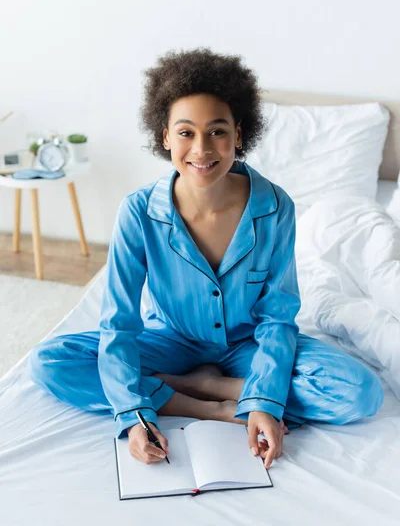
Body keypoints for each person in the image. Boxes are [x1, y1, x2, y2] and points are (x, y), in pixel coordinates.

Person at [29, 48, 384, 470]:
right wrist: (134, 414)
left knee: (360, 392)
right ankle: (207, 398)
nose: (201, 148)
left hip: (247, 345)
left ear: (239, 133)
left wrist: (265, 399)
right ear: (164, 137)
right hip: (168, 340)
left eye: (217, 131)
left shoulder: (275, 207)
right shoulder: (138, 212)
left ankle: (216, 387)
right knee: (51, 362)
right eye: (185, 133)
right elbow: (119, 323)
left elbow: (277, 316)